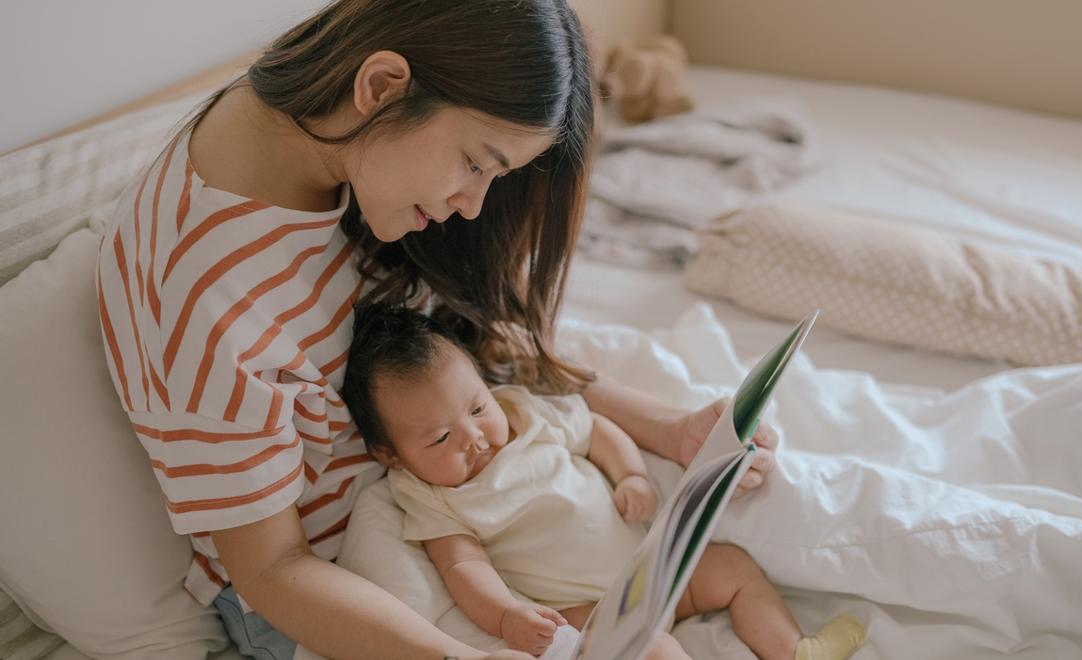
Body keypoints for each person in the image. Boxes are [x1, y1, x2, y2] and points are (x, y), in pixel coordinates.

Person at [95, 1, 781, 658]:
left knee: (770, 516)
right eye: (478, 164)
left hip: (477, 504)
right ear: (383, 85)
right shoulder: (213, 294)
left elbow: (465, 357)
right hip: (342, 588)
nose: (472, 204)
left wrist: (673, 430)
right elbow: (271, 569)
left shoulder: (329, 135)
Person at [340, 304, 867, 660]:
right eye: (439, 439)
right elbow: (462, 566)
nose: (475, 437)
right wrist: (506, 617)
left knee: (732, 568)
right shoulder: (429, 494)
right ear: (391, 455)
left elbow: (597, 432)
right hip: (589, 604)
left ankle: (794, 649)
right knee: (655, 650)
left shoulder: (523, 413)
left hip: (653, 565)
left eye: (477, 407)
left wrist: (631, 473)